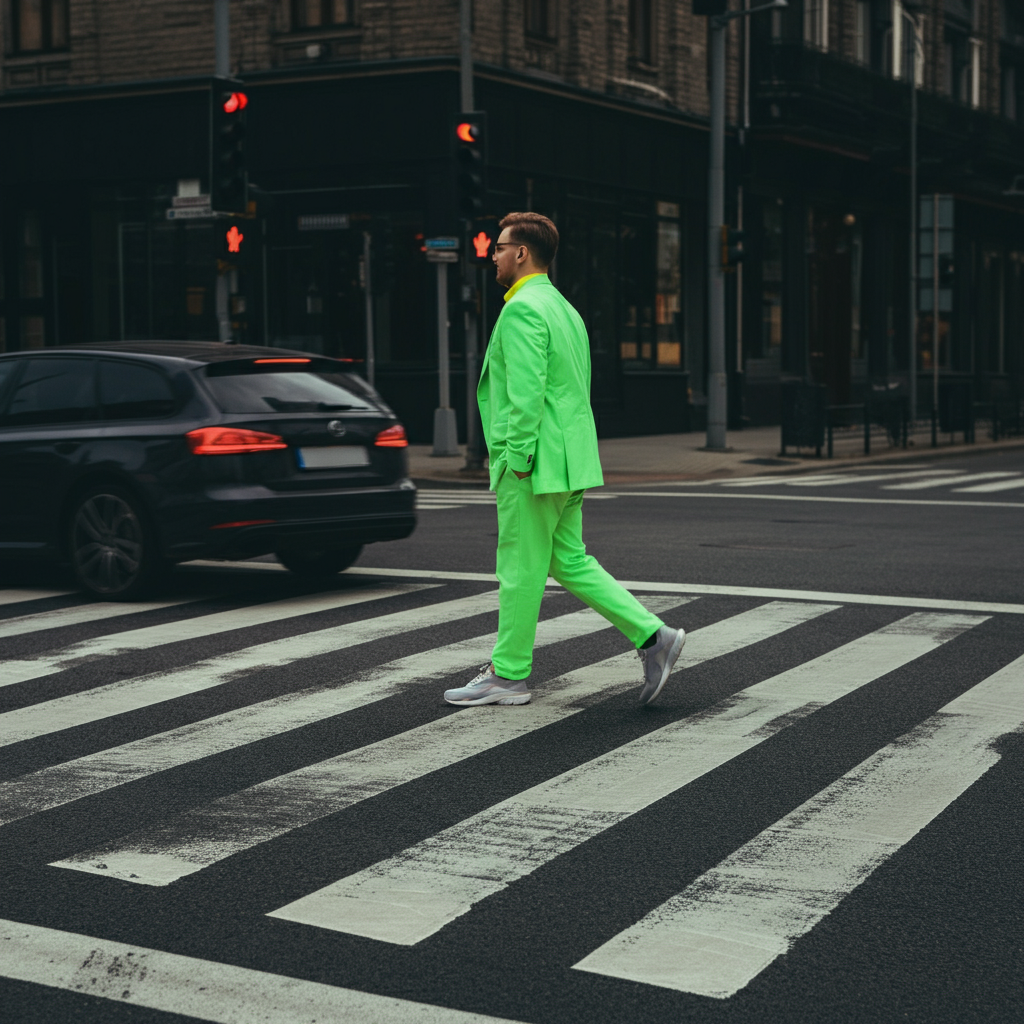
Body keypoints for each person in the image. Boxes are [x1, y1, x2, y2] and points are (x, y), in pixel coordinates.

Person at [443, 212, 685, 708]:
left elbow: (525, 394)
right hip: (569, 460)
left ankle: (508, 675)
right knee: (568, 561)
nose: (492, 255)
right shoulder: (564, 309)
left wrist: (518, 459)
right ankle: (653, 636)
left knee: (518, 568)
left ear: (521, 253)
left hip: (535, 464)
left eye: (499, 247)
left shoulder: (522, 310)